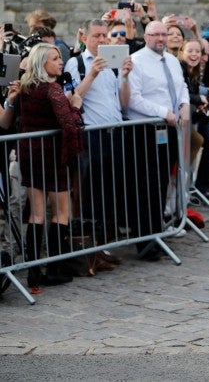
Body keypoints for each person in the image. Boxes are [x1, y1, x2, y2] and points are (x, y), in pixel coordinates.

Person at [15, 43, 85, 294]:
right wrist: (75, 105)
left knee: (36, 214)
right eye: (55, 59)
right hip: (53, 156)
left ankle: (34, 272)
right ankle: (55, 269)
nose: (61, 62)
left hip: (30, 154)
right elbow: (69, 124)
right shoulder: (52, 90)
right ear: (42, 63)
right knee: (61, 213)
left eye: (60, 58)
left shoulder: (25, 87)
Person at [64, 19, 132, 254]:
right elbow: (72, 98)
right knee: (89, 192)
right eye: (97, 36)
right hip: (90, 135)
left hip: (114, 133)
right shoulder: (75, 63)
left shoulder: (113, 64)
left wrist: (124, 76)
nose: (102, 40)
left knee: (112, 190)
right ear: (84, 37)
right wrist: (92, 74)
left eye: (105, 35)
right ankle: (88, 246)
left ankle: (106, 243)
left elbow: (123, 103)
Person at [126, 21, 190, 258]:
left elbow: (181, 86)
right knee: (146, 185)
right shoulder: (136, 61)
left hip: (170, 129)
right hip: (146, 130)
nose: (161, 39)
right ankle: (145, 240)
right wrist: (165, 113)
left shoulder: (172, 60)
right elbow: (134, 99)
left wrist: (185, 105)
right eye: (156, 35)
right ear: (146, 36)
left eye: (164, 34)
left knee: (162, 181)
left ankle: (157, 232)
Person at [178, 38, 209, 203]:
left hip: (187, 122)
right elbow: (179, 95)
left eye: (197, 51)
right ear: (182, 53)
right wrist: (198, 98)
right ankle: (180, 198)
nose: (194, 54)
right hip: (175, 123)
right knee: (183, 159)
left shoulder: (193, 72)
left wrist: (200, 107)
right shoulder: (179, 69)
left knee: (199, 142)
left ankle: (183, 195)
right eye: (190, 51)